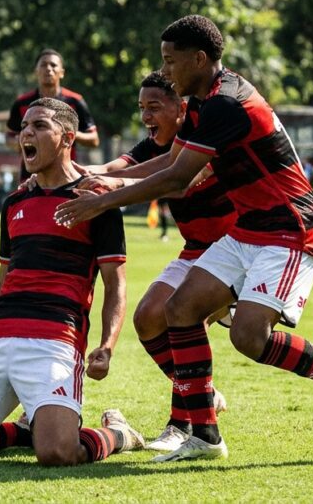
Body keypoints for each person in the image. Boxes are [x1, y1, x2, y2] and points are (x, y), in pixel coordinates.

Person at [55, 15, 313, 462]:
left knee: (249, 337)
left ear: (200, 58)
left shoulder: (226, 105)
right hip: (249, 227)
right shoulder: (202, 101)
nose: (167, 71)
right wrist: (105, 181)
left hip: (290, 229)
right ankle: (205, 436)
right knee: (178, 310)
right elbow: (169, 162)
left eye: (171, 62)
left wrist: (102, 202)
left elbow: (176, 179)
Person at [0, 97, 143, 465]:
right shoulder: (14, 202)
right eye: (24, 126)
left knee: (57, 453)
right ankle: (22, 430)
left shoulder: (96, 201)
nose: (26, 133)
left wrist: (107, 344)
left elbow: (115, 283)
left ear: (67, 138)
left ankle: (117, 433)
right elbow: (1, 286)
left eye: (39, 126)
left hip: (54, 339)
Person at [74, 70, 236, 452]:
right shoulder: (153, 144)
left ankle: (183, 425)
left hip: (240, 249)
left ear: (181, 107)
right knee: (148, 318)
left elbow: (175, 179)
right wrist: (71, 173)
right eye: (141, 108)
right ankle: (203, 395)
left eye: (154, 107)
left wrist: (110, 192)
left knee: (186, 321)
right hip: (197, 249)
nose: (146, 116)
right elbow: (117, 167)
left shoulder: (205, 138)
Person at [5, 49, 99, 180]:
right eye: (43, 65)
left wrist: (64, 133)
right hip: (29, 177)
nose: (48, 69)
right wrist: (25, 142)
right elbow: (9, 137)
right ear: (36, 71)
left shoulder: (75, 101)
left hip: (65, 175)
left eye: (53, 65)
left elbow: (94, 139)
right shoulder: (21, 103)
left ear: (62, 73)